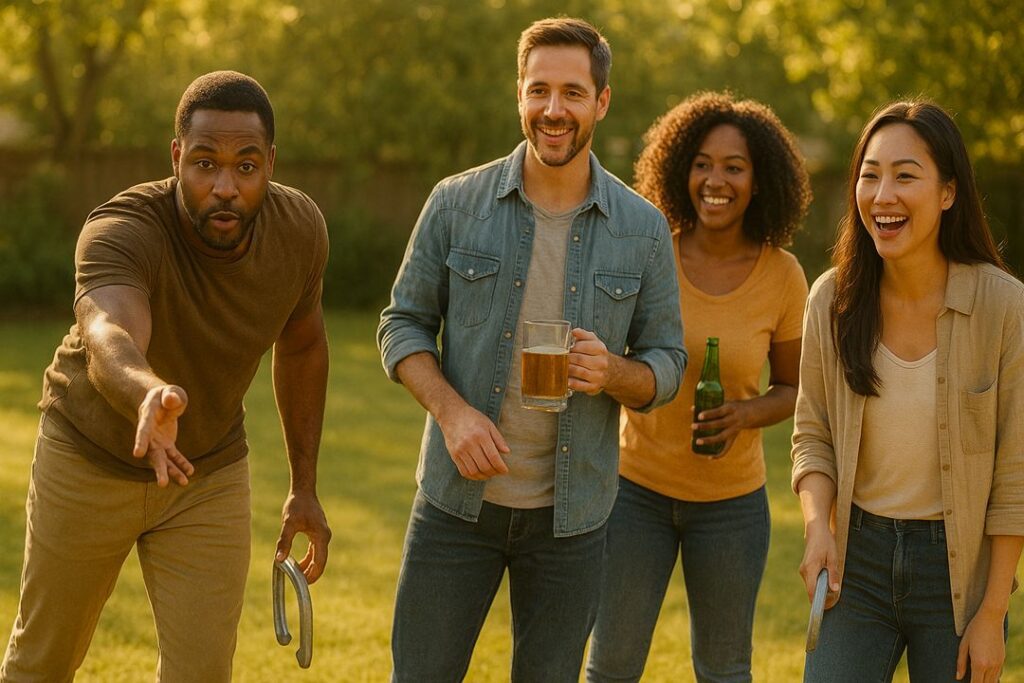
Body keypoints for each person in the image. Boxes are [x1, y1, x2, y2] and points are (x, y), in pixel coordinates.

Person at [377, 17, 686, 682]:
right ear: (518, 94)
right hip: (455, 505)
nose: (554, 110)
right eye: (538, 90)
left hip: (572, 520)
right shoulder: (456, 202)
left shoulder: (642, 227)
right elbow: (401, 324)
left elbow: (668, 363)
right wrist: (453, 414)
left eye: (573, 93)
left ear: (602, 102)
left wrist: (615, 372)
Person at [0, 71, 332, 682]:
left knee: (202, 672)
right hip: (88, 461)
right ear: (176, 156)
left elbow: (304, 344)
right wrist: (148, 391)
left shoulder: (299, 230)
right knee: (42, 661)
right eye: (205, 164)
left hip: (206, 474)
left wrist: (304, 485)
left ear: (272, 164)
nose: (225, 186)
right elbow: (109, 332)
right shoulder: (123, 227)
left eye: (247, 166)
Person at [792, 100, 1024, 683]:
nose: (882, 194)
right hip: (857, 563)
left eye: (905, 175)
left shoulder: (1004, 307)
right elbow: (812, 433)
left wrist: (992, 611)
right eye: (869, 175)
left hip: (957, 573)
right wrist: (820, 527)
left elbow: (1016, 472)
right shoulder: (833, 298)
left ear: (948, 192)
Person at [586, 92, 812, 682]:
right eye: (703, 163)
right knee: (610, 665)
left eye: (734, 167)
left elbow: (794, 388)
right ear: (680, 168)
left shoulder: (783, 275)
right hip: (635, 492)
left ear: (759, 181)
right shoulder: (649, 247)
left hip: (732, 508)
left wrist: (744, 414)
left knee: (724, 669)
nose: (716, 179)